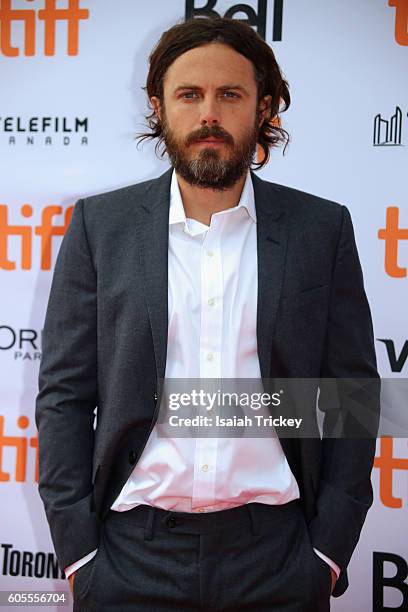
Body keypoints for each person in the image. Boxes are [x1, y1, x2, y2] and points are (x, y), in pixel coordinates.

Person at [35, 16, 379, 611]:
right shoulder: (100, 227)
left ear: (264, 107)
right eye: (189, 95)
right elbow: (65, 395)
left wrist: (327, 552)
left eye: (231, 94)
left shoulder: (321, 229)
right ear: (158, 105)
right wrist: (79, 555)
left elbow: (349, 394)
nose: (209, 115)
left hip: (280, 559)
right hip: (128, 559)